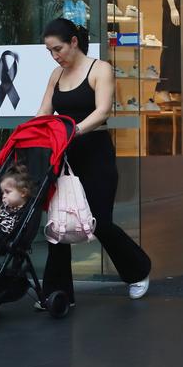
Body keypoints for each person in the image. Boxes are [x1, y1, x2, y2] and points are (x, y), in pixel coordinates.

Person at [37, 18, 152, 304]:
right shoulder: (56, 75)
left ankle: (138, 270)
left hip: (95, 152)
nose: (55, 56)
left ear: (74, 42)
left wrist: (72, 131)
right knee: (59, 223)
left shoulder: (100, 69)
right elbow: (42, 113)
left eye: (58, 49)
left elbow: (102, 112)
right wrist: (30, 134)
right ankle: (57, 293)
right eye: (50, 51)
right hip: (64, 155)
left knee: (99, 221)